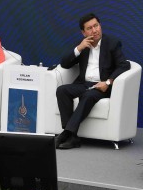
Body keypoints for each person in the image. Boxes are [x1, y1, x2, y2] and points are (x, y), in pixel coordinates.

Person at [55, 13, 130, 149]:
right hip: (83, 84)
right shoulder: (83, 45)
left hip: (101, 86)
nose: (94, 30)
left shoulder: (112, 43)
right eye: (89, 28)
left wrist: (108, 82)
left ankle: (66, 134)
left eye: (96, 26)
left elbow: (124, 65)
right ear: (83, 33)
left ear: (100, 26)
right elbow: (65, 64)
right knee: (62, 90)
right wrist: (79, 48)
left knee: (88, 95)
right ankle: (72, 137)